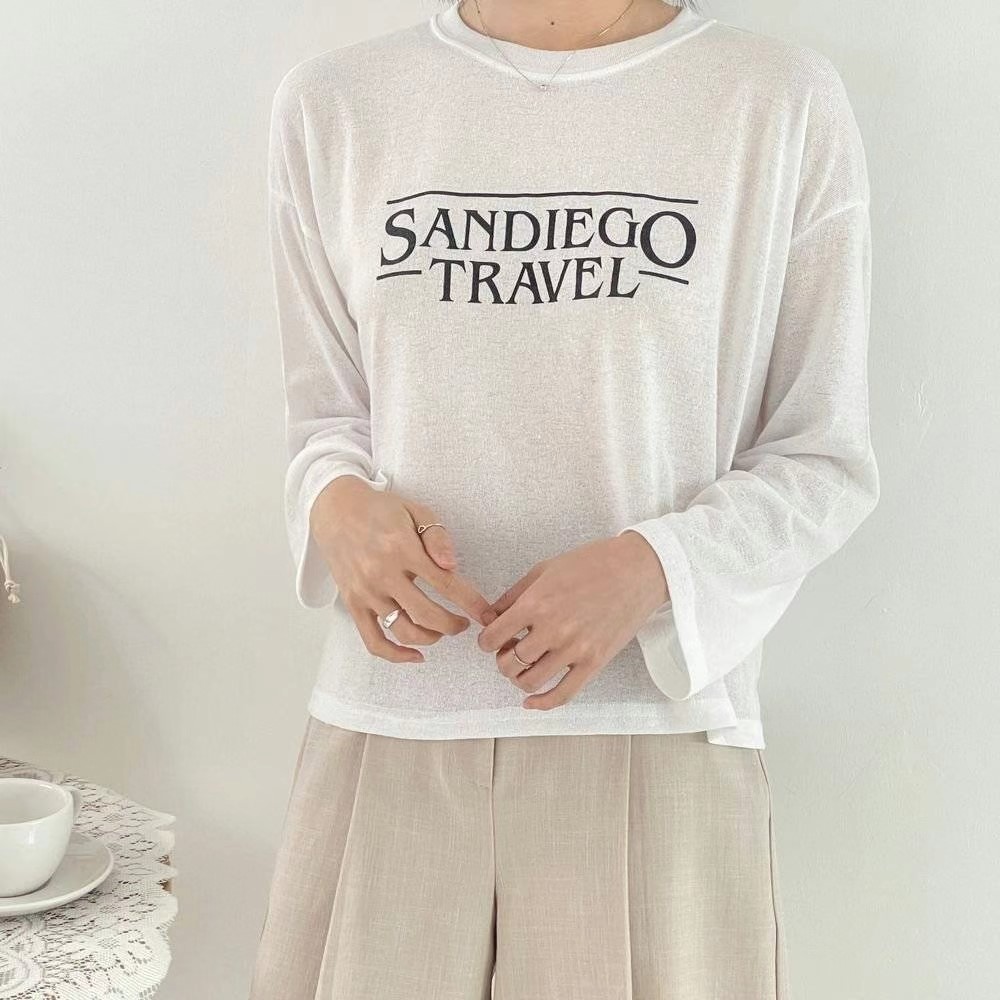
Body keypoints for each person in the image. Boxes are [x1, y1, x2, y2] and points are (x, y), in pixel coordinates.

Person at [249, 0, 879, 996]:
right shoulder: (337, 103)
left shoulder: (774, 100)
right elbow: (324, 418)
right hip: (393, 727)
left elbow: (822, 457)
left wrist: (654, 568)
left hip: (654, 735)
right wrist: (336, 505)